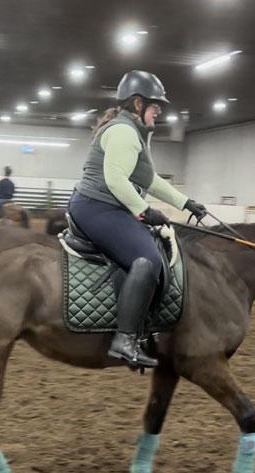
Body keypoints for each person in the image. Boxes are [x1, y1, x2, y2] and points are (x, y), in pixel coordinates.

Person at [68, 69, 207, 368]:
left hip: (107, 206)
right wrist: (143, 211)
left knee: (152, 248)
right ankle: (125, 339)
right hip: (97, 206)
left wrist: (186, 203)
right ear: (137, 103)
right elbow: (115, 180)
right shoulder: (123, 132)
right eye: (155, 105)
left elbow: (150, 180)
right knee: (148, 259)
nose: (159, 110)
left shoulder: (135, 134)